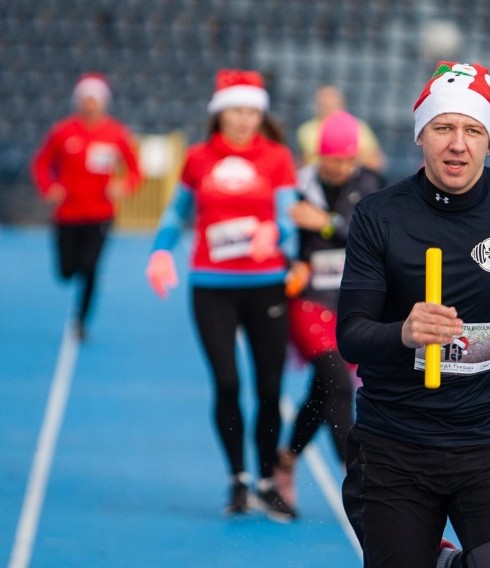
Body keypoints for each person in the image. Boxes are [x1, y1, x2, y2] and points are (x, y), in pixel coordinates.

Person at [336, 61, 490, 568]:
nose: (458, 144)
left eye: (473, 130)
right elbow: (352, 335)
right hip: (395, 443)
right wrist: (404, 333)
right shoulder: (380, 215)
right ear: (421, 136)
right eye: (443, 127)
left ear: (489, 141)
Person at [144, 69, 299, 521]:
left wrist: (276, 231)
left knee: (270, 388)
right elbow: (176, 213)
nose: (245, 118)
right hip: (211, 287)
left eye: (253, 110)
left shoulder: (277, 159)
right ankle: (238, 478)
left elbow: (289, 217)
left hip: (265, 284)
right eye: (236, 109)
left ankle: (268, 479)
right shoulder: (197, 159)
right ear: (219, 113)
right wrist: (159, 252)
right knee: (227, 383)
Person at [276, 109, 384, 510]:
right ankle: (358, 477)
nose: (339, 168)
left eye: (346, 160)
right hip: (309, 302)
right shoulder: (297, 186)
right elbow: (282, 234)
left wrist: (324, 223)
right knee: (338, 383)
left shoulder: (370, 185)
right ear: (318, 156)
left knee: (322, 393)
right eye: (331, 159)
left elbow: (366, 233)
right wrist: (293, 259)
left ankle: (284, 460)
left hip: (352, 304)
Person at [31, 73, 142, 340]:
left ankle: (81, 321)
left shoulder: (116, 133)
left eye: (95, 99)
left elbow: (135, 170)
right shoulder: (63, 131)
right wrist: (49, 188)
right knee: (67, 271)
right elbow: (41, 164)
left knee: (91, 267)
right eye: (86, 99)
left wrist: (122, 186)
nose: (91, 104)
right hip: (67, 214)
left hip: (100, 214)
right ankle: (73, 269)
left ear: (104, 102)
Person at [295, 85, 387, 174]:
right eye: (323, 99)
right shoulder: (306, 130)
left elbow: (375, 162)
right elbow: (302, 162)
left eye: (331, 97)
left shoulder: (359, 127)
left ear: (341, 102)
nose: (326, 102)